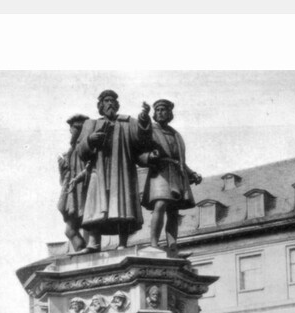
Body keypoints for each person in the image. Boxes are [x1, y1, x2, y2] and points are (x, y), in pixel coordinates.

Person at [76, 90, 153, 250]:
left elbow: (142, 140)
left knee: (122, 207)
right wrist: (90, 140)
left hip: (121, 172)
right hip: (99, 171)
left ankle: (123, 243)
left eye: (112, 101)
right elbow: (80, 152)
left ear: (117, 105)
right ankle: (94, 243)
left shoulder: (127, 122)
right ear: (101, 105)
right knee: (96, 206)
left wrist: (144, 119)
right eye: (106, 101)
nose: (110, 103)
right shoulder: (91, 124)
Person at [138, 99, 202, 256]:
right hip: (159, 171)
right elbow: (142, 134)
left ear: (169, 113)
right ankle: (154, 243)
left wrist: (191, 173)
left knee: (173, 211)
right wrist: (144, 116)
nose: (160, 112)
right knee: (160, 205)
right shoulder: (151, 130)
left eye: (163, 110)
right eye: (157, 110)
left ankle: (172, 246)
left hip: (175, 173)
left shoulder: (176, 135)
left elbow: (180, 160)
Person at [57, 113, 90, 253]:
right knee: (70, 230)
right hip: (72, 194)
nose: (73, 131)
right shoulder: (69, 153)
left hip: (85, 190)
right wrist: (62, 168)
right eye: (72, 128)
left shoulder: (88, 148)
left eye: (77, 128)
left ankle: (87, 250)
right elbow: (63, 179)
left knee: (87, 224)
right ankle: (81, 250)